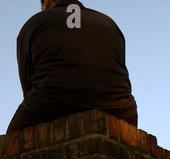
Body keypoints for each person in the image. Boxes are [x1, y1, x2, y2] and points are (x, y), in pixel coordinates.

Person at [7, 0, 137, 134]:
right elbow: (118, 70)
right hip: (120, 110)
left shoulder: (33, 24)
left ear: (46, 3)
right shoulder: (109, 23)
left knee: (9, 142)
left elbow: (27, 84)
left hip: (51, 102)